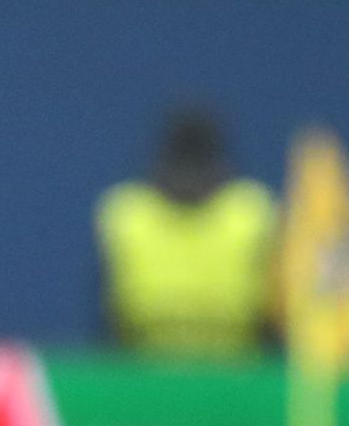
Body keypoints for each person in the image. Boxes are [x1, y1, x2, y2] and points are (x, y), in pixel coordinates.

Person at [95, 106, 277, 359]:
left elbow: (273, 320)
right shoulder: (126, 213)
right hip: (146, 376)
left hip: (237, 376)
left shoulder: (252, 212)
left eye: (197, 165)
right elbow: (110, 321)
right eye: (181, 164)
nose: (189, 177)